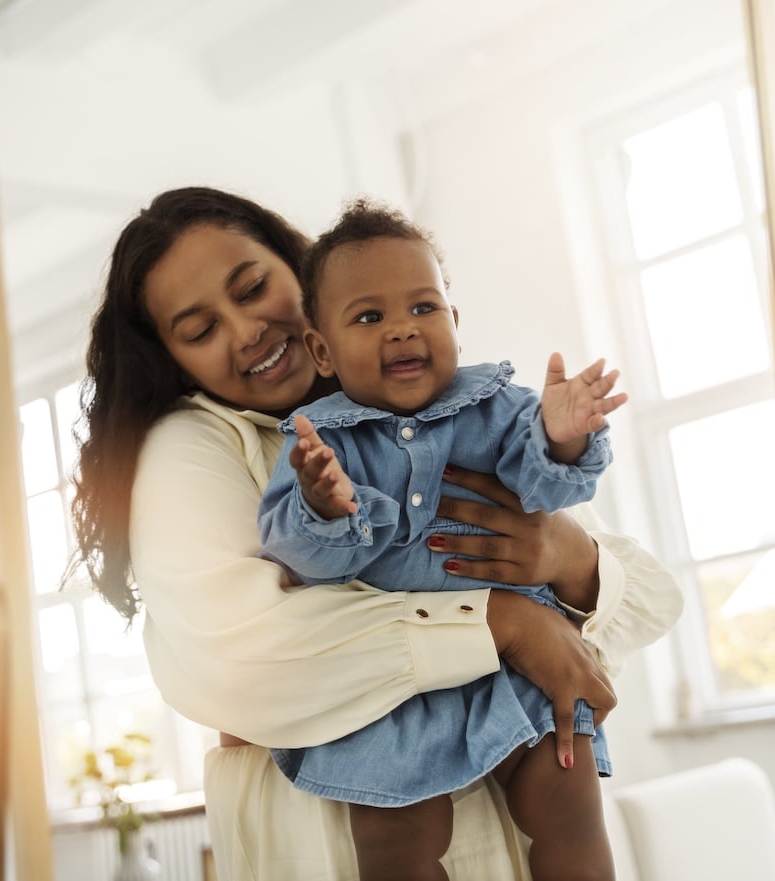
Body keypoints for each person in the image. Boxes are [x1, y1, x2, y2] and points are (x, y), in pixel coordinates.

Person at [68, 185, 683, 881]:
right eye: (201, 329)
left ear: (298, 272)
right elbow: (248, 655)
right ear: (173, 359)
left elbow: (649, 605)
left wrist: (568, 555)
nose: (245, 331)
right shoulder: (194, 448)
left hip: (509, 792)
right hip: (330, 823)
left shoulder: (449, 403)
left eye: (253, 287)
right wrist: (505, 622)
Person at [257, 200, 626, 881]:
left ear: (454, 320)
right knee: (394, 842)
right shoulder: (320, 441)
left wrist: (562, 435)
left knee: (569, 803)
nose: (402, 328)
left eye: (423, 307)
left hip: (519, 672)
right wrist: (324, 505)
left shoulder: (496, 405)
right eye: (369, 317)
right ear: (322, 350)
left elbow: (543, 487)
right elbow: (295, 557)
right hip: (395, 685)